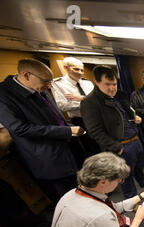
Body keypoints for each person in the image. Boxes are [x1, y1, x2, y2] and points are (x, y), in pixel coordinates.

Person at [0, 59, 84, 203]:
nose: (49, 86)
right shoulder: (4, 95)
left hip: (68, 149)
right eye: (46, 81)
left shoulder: (38, 86)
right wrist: (66, 131)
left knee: (82, 192)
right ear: (26, 75)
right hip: (48, 158)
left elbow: (54, 115)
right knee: (69, 201)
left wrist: (68, 126)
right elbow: (20, 129)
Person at [80, 66, 144, 199]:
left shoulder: (120, 95)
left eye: (114, 84)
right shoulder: (90, 102)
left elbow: (128, 112)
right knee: (125, 175)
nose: (112, 88)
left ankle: (143, 180)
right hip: (120, 146)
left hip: (134, 139)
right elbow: (95, 131)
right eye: (107, 84)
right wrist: (117, 148)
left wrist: (135, 118)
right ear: (96, 82)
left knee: (139, 165)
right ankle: (132, 199)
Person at [52, 57, 99, 159]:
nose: (80, 73)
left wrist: (81, 99)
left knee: (104, 146)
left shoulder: (87, 83)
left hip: (97, 118)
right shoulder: (58, 84)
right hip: (81, 120)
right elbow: (63, 106)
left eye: (82, 70)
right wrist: (87, 101)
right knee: (92, 150)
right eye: (76, 69)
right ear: (66, 68)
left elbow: (99, 100)